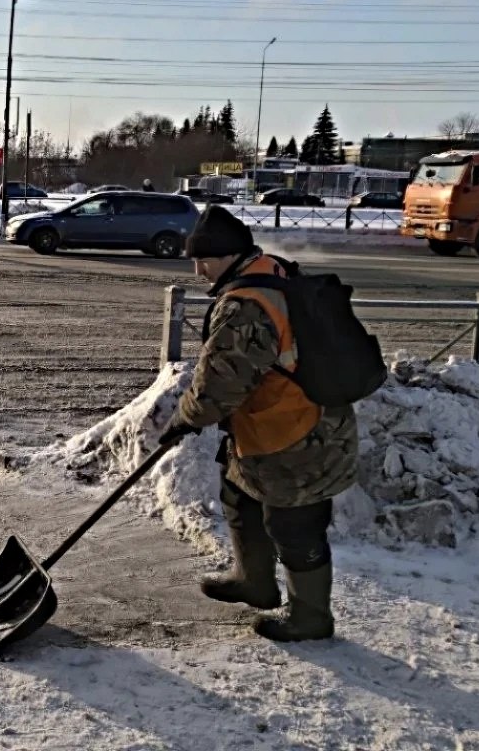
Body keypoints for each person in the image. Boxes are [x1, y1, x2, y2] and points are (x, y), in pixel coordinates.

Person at [160, 206, 357, 642]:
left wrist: (183, 419)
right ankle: (255, 582)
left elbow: (219, 386)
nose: (198, 269)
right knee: (239, 495)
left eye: (203, 259)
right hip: (273, 423)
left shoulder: (246, 305)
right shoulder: (270, 270)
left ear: (226, 255)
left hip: (299, 431)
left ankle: (311, 618)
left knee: (295, 524)